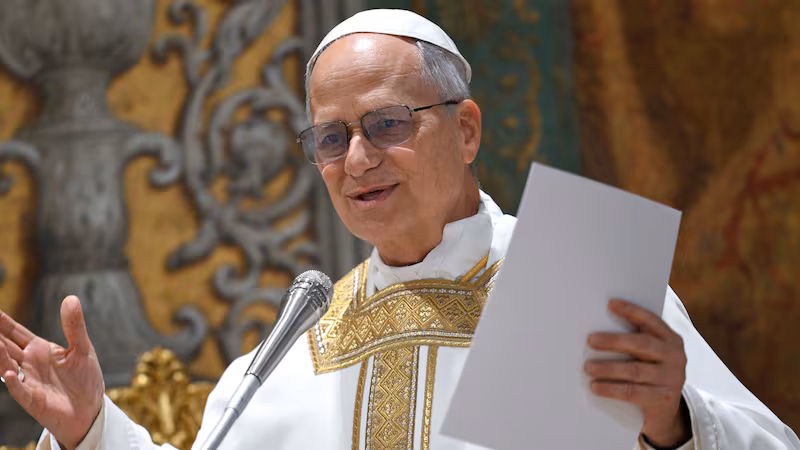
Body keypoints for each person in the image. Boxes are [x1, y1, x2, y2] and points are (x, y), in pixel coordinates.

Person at [0, 8, 797, 450]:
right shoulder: (296, 343)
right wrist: (92, 432)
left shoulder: (577, 283)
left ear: (468, 129)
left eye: (386, 123)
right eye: (331, 138)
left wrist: (676, 422)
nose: (357, 159)